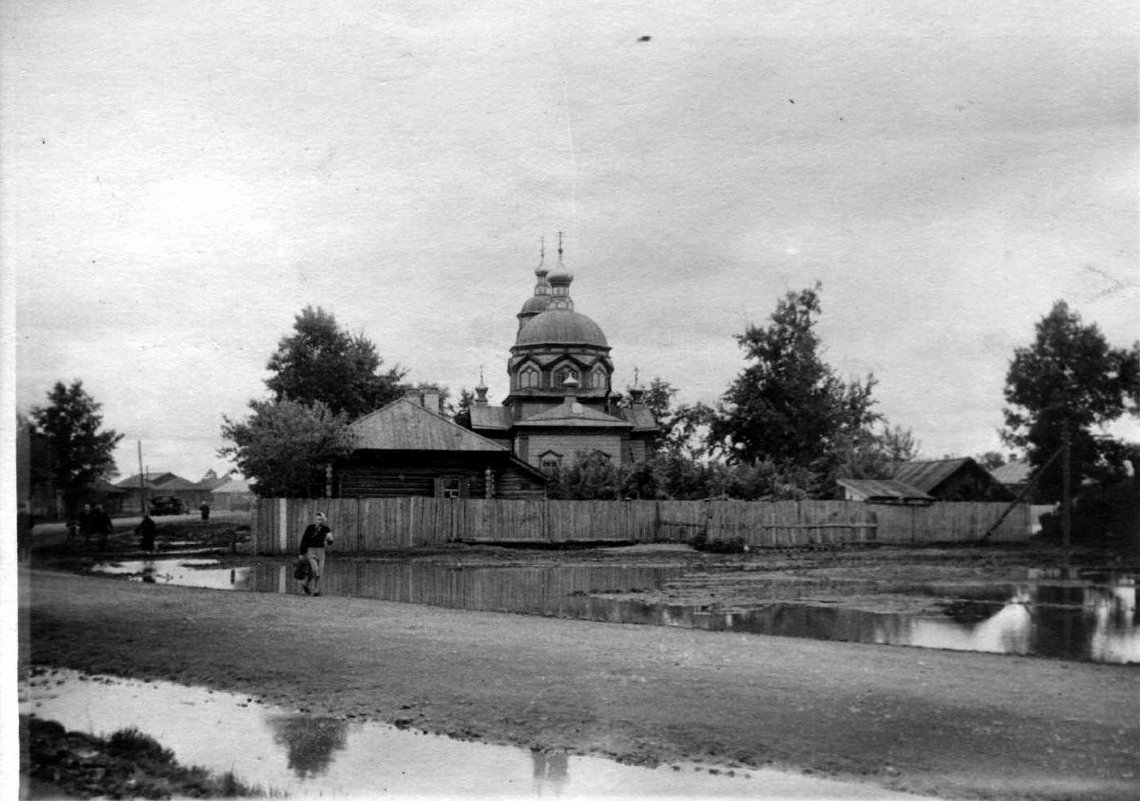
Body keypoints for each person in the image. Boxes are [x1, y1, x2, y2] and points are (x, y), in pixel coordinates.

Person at [298, 511, 334, 596]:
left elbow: (331, 541)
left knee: (318, 572)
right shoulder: (310, 528)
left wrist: (329, 540)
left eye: (321, 519)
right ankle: (306, 586)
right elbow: (304, 540)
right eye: (318, 519)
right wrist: (301, 552)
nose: (319, 521)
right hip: (311, 550)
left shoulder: (326, 529)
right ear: (315, 519)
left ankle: (315, 590)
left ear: (323, 520)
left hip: (321, 551)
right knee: (315, 570)